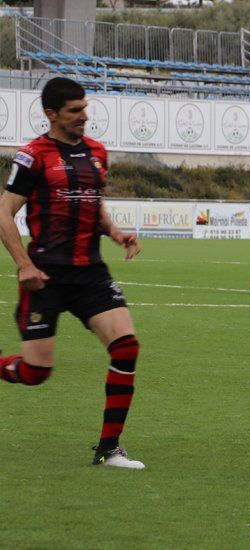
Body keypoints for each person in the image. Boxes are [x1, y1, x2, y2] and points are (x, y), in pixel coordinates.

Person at [0, 77, 144, 468]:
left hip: (90, 273)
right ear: (51, 114)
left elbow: (93, 203)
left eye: (85, 107)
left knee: (126, 347)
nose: (85, 116)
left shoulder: (97, 152)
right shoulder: (34, 156)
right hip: (45, 276)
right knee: (34, 372)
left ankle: (109, 448)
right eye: (75, 111)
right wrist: (25, 265)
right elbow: (4, 213)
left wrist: (114, 232)